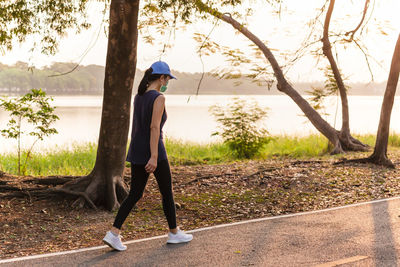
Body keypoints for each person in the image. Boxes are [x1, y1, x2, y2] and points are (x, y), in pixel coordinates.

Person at [103, 61, 193, 251]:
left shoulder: (139, 96)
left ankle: (113, 233)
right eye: (167, 78)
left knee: (135, 193)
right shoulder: (158, 98)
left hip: (137, 148)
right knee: (166, 191)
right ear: (161, 78)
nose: (167, 82)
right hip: (154, 151)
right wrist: (153, 156)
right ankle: (174, 233)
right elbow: (153, 127)